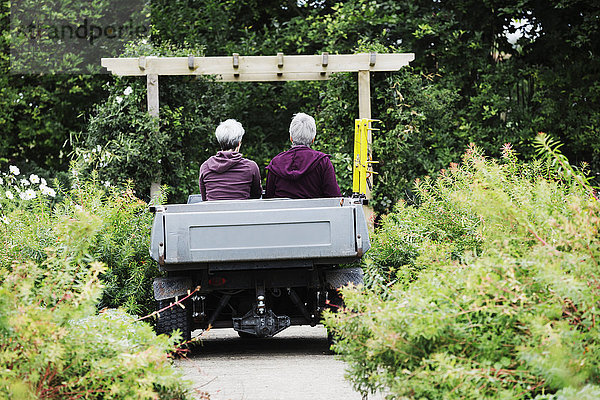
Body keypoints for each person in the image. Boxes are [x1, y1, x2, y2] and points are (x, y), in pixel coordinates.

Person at [265, 113, 341, 199]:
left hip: (283, 212)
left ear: (291, 138)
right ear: (313, 139)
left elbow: (269, 198)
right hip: (316, 212)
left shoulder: (276, 163)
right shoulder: (322, 162)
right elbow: (334, 197)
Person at [199, 119, 262, 201]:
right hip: (242, 212)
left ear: (220, 141)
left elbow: (204, 198)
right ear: (239, 143)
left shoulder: (205, 167)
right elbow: (256, 195)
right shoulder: (251, 167)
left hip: (213, 213)